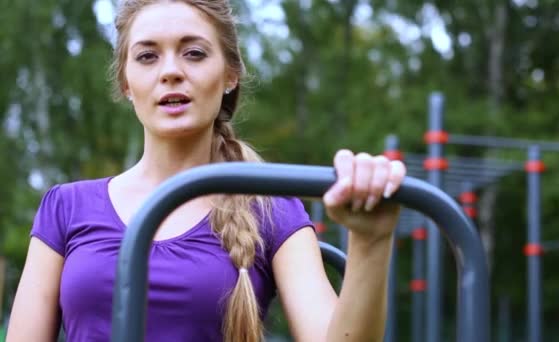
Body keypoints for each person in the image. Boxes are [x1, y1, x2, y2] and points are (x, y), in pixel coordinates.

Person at [6, 0, 406, 341]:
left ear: (231, 74)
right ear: (127, 82)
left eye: (194, 53)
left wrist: (370, 242)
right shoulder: (66, 207)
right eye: (147, 56)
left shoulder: (272, 209)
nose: (170, 71)